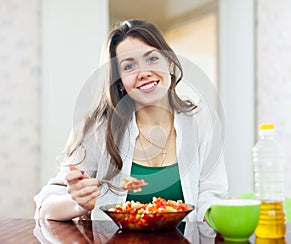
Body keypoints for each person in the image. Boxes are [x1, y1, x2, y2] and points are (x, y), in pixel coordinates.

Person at [34, 19, 228, 223]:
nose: (143, 72)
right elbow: (44, 206)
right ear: (120, 82)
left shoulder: (201, 120)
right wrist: (78, 204)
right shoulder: (100, 128)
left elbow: (211, 196)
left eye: (152, 59)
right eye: (129, 66)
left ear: (169, 63)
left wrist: (223, 214)